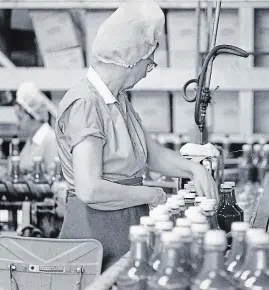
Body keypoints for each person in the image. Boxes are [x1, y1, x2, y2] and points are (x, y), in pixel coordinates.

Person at [54, 2, 218, 271]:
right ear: (131, 58)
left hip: (124, 228)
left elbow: (150, 153)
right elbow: (89, 188)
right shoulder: (85, 103)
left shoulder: (117, 100)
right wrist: (152, 195)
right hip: (94, 236)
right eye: (149, 62)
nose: (146, 71)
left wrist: (194, 170)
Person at [15, 82, 58, 173]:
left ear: (34, 115)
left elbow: (54, 179)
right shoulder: (32, 140)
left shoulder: (50, 140)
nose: (18, 124)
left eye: (20, 118)